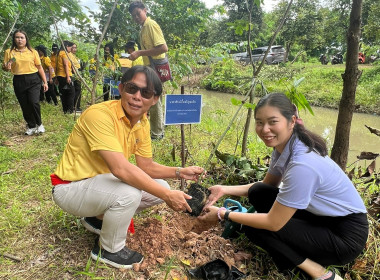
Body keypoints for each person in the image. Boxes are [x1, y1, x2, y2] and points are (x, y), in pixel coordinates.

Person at [199, 93, 368, 280]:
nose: (265, 129)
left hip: (343, 238)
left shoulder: (303, 163)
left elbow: (274, 222)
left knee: (254, 227)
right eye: (259, 122)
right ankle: (296, 244)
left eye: (273, 122)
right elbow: (268, 185)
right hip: (320, 218)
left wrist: (223, 214)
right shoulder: (285, 146)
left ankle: (319, 272)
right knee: (259, 192)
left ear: (292, 121)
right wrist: (224, 189)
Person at [51, 65, 204, 269]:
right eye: (132, 89)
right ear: (121, 88)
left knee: (161, 187)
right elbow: (121, 169)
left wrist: (179, 172)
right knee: (130, 192)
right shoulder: (99, 115)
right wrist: (169, 197)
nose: (137, 97)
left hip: (98, 186)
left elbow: (146, 167)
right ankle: (108, 250)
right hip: (71, 189)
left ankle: (97, 219)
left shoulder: (142, 122)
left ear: (155, 99)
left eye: (146, 92)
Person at [129, 1, 168, 140]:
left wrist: (139, 53)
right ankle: (156, 129)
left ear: (145, 10)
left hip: (155, 67)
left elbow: (163, 48)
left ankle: (157, 134)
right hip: (150, 67)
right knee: (153, 98)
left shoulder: (150, 25)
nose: (136, 17)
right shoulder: (143, 28)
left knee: (154, 98)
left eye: (138, 13)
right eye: (134, 16)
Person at [2, 30, 47, 135]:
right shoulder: (9, 52)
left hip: (34, 79)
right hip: (18, 80)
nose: (20, 40)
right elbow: (6, 68)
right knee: (24, 104)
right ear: (14, 39)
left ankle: (39, 124)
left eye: (22, 37)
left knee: (33, 102)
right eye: (17, 37)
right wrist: (5, 67)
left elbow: (39, 67)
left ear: (26, 39)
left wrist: (45, 82)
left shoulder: (33, 52)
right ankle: (31, 126)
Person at [56, 41, 75, 114]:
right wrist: (68, 77)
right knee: (71, 93)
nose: (71, 49)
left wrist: (57, 78)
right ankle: (70, 111)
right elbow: (65, 65)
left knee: (63, 93)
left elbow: (57, 66)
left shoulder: (58, 53)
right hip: (65, 75)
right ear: (67, 46)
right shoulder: (64, 53)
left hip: (60, 76)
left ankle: (65, 110)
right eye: (71, 47)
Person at [70, 43, 82, 112]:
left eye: (75, 48)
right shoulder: (70, 56)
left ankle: (77, 106)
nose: (75, 49)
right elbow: (72, 66)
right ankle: (76, 106)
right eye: (73, 48)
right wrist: (77, 76)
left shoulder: (74, 56)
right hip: (75, 74)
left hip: (77, 72)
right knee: (77, 90)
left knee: (78, 90)